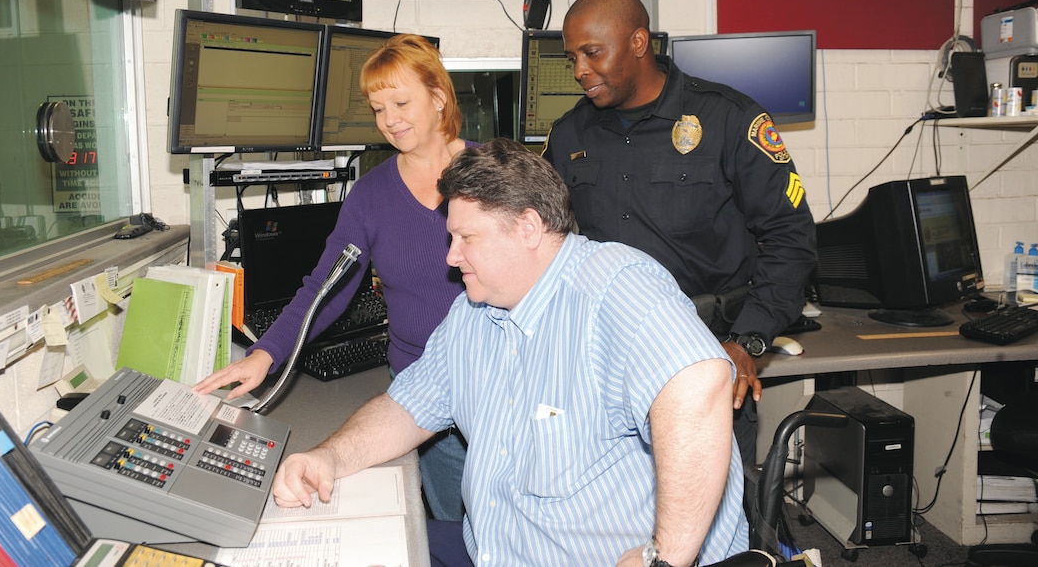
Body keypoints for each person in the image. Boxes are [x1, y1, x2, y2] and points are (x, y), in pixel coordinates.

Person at [273, 138, 748, 566]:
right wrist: (329, 458)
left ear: (527, 228)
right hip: (498, 547)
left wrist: (663, 558)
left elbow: (699, 381)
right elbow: (405, 408)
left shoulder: (612, 283)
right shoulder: (473, 314)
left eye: (467, 238)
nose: (451, 256)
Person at [194, 33, 472, 521]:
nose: (391, 120)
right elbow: (327, 288)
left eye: (402, 102)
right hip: (419, 392)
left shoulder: (493, 172)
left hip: (498, 382)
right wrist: (265, 354)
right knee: (453, 524)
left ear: (438, 97)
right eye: (379, 108)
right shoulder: (370, 196)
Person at [542, 0, 817, 464]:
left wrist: (748, 339)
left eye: (592, 53)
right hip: (604, 359)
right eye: (572, 59)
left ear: (638, 42)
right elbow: (543, 238)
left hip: (705, 349)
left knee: (716, 518)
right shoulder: (570, 133)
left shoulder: (730, 119)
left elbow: (790, 239)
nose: (580, 71)